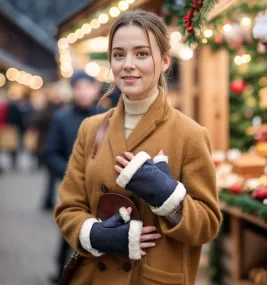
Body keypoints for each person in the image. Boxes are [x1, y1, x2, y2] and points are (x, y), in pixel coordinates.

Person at [54, 10, 222, 285]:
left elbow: (207, 225)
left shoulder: (190, 134)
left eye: (141, 54)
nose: (128, 64)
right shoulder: (91, 129)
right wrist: (96, 234)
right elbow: (67, 207)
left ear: (165, 60)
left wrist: (167, 196)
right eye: (119, 54)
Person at [45, 71, 106, 283]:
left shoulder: (108, 116)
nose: (82, 92)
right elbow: (50, 153)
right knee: (69, 231)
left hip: (101, 188)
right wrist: (72, 176)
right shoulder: (61, 118)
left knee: (100, 230)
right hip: (71, 187)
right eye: (77, 88)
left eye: (86, 87)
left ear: (95, 88)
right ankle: (62, 274)